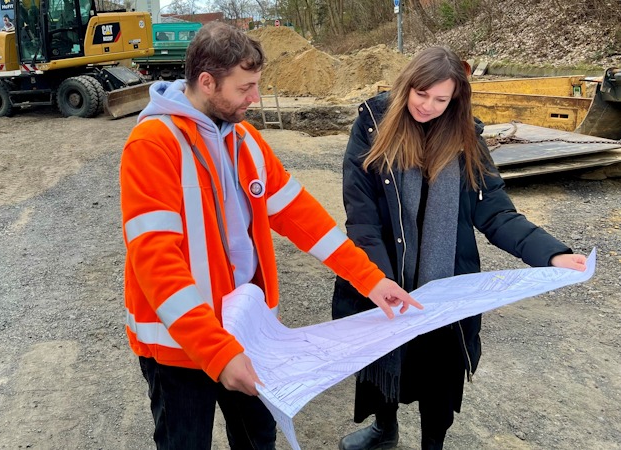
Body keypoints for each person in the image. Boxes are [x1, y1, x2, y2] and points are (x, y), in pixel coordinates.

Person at [119, 22, 423, 449]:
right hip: (180, 349)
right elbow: (156, 264)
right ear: (207, 83)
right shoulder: (152, 145)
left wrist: (370, 280)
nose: (255, 98)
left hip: (246, 332)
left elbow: (304, 218)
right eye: (245, 88)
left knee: (258, 438)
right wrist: (216, 352)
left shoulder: (245, 140)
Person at [330, 46, 588, 450]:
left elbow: (497, 213)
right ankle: (385, 429)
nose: (428, 106)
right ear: (405, 86)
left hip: (446, 287)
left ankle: (433, 443)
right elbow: (362, 219)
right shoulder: (371, 127)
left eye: (441, 99)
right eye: (421, 94)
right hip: (384, 273)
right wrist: (378, 279)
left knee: (440, 374)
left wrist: (551, 253)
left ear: (455, 100)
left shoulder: (466, 140)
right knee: (384, 358)